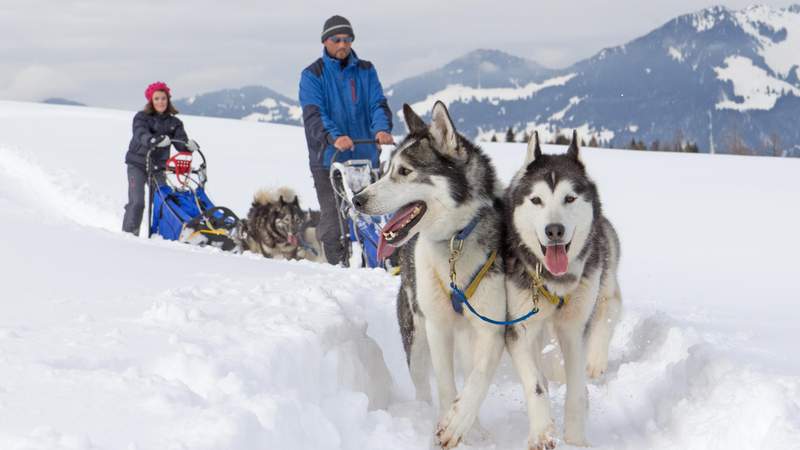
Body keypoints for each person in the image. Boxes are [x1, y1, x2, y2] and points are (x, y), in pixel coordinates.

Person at [299, 15, 394, 265]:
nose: (343, 44)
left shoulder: (365, 70)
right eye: (337, 39)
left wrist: (381, 130)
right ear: (325, 41)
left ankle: (378, 263)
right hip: (329, 159)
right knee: (334, 220)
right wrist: (334, 137)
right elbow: (314, 115)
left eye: (348, 39)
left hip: (365, 157)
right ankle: (336, 269)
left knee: (375, 216)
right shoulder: (312, 74)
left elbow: (377, 104)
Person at [122, 81, 199, 235]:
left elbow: (180, 142)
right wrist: (153, 140)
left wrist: (188, 146)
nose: (160, 102)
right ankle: (129, 235)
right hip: (137, 164)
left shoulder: (175, 122)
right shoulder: (141, 117)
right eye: (156, 98)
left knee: (161, 201)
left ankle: (159, 235)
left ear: (168, 100)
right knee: (137, 203)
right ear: (151, 100)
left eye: (163, 98)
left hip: (158, 167)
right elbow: (140, 134)